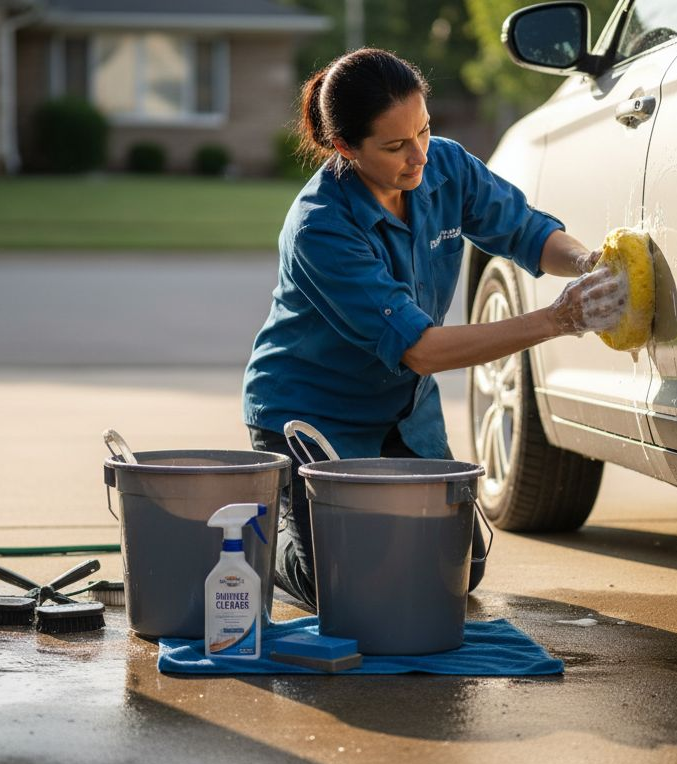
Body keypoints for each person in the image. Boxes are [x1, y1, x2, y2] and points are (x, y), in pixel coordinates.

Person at [243, 48, 627, 608]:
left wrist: (590, 265)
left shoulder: (445, 165)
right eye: (395, 146)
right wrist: (557, 319)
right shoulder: (319, 228)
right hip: (312, 415)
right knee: (339, 586)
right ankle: (257, 535)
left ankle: (342, 528)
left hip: (403, 412)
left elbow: (526, 231)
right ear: (345, 148)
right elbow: (422, 351)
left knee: (456, 572)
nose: (418, 155)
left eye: (423, 130)